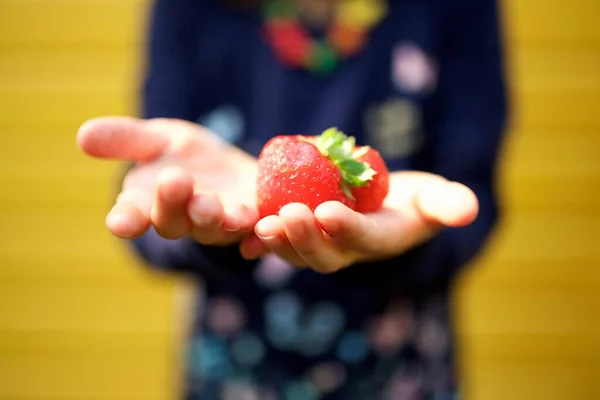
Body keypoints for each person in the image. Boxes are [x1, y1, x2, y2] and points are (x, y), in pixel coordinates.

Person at [77, 0, 507, 398]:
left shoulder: (451, 7)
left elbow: (473, 197)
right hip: (234, 367)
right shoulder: (192, 7)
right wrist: (199, 226)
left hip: (401, 366)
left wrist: (405, 240)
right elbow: (151, 209)